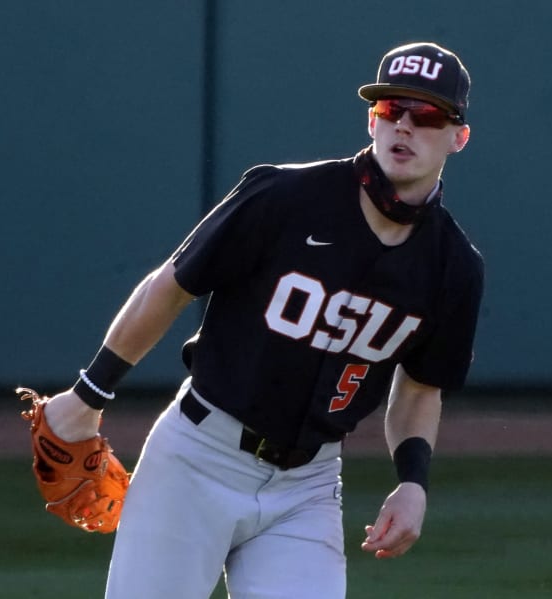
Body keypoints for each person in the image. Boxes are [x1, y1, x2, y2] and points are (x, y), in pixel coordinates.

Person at [42, 41, 483, 598]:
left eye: (426, 115)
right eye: (390, 110)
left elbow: (419, 389)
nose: (404, 126)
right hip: (197, 460)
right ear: (371, 120)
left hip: (309, 485)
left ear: (458, 136)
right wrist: (89, 395)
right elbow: (170, 286)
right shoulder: (286, 197)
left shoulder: (453, 267)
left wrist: (413, 483)